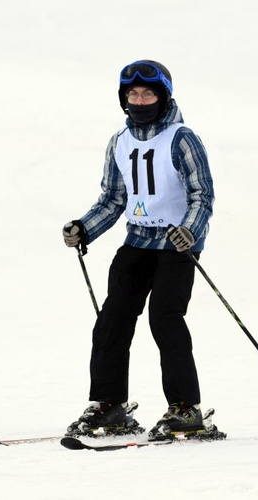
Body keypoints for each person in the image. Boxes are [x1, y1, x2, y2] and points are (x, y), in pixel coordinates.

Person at [62, 60, 220, 441]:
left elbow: (203, 195)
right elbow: (113, 198)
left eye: (147, 93)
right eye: (132, 94)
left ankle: (186, 409)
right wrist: (85, 228)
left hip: (175, 246)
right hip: (136, 242)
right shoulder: (120, 141)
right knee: (112, 319)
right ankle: (109, 405)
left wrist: (190, 230)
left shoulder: (182, 138)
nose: (139, 99)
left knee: (164, 318)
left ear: (163, 96)